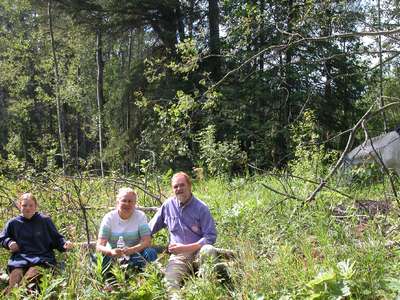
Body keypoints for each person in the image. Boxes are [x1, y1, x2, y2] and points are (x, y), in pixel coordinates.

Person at [149, 172, 218, 296]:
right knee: (169, 284)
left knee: (209, 249)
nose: (179, 189)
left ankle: (208, 287)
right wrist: (133, 239)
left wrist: (186, 248)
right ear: (172, 189)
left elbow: (210, 236)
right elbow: (150, 228)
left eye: (182, 185)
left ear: (190, 186)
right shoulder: (168, 206)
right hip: (179, 257)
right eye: (175, 186)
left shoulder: (201, 208)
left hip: (199, 252)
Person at [0, 192, 73, 295]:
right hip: (19, 261)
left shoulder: (45, 220)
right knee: (14, 287)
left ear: (36, 206)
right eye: (24, 205)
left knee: (26, 284)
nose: (28, 208)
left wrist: (65, 244)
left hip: (41, 260)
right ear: (19, 205)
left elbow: (57, 239)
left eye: (31, 205)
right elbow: (2, 238)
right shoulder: (13, 223)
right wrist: (9, 242)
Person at [96, 187, 157, 272]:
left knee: (150, 253)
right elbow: (99, 246)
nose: (127, 204)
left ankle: (146, 277)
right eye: (124, 201)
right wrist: (111, 252)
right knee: (96, 258)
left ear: (135, 203)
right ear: (118, 202)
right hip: (113, 256)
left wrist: (131, 250)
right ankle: (107, 280)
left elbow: (147, 242)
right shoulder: (109, 218)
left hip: (134, 255)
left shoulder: (140, 216)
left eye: (130, 201)